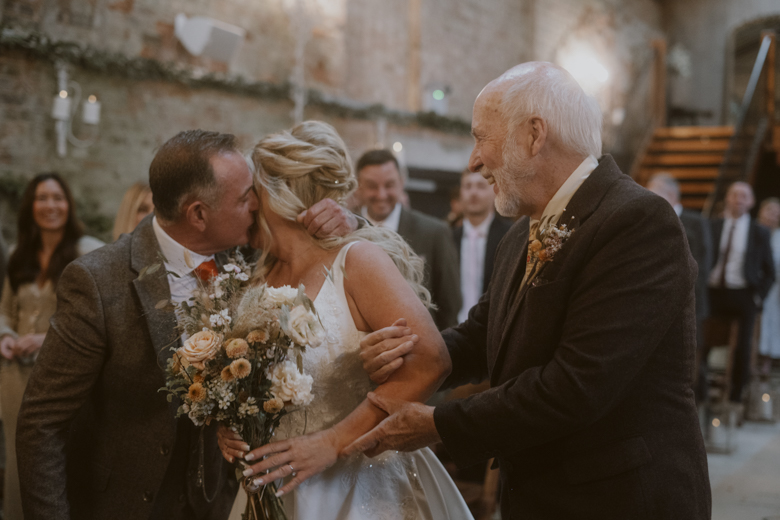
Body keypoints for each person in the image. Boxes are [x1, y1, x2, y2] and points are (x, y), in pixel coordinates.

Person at [346, 62, 712, 519]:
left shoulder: (637, 222)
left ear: (534, 135)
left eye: (481, 137)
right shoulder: (523, 231)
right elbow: (483, 333)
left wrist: (440, 424)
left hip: (616, 498)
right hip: (540, 497)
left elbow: (576, 385)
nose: (473, 161)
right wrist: (407, 353)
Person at [16, 130, 358, 520]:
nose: (257, 204)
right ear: (198, 215)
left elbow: (321, 252)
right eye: (245, 197)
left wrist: (349, 220)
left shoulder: (253, 259)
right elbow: (41, 422)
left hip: (220, 503)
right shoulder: (97, 281)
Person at [219, 121, 473, 520]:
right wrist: (231, 426)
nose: (246, 202)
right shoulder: (255, 277)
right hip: (275, 486)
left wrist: (333, 442)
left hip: (360, 484)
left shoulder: (356, 262)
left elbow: (431, 362)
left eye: (252, 189)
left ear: (278, 194)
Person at [0, 172, 104, 520]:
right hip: (14, 378)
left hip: (59, 376)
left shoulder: (88, 251)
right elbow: (6, 310)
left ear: (68, 204)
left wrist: (45, 338)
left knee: (51, 462)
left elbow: (97, 320)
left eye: (57, 198)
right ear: (30, 206)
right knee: (16, 461)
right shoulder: (18, 253)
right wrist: (5, 336)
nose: (50, 205)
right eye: (41, 198)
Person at [355, 149, 461, 329]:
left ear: (402, 182)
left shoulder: (434, 232)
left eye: (389, 185)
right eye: (372, 186)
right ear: (359, 186)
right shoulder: (347, 231)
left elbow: (450, 306)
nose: (381, 194)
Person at [647, 172, 713, 401]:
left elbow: (703, 264)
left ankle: (697, 404)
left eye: (653, 193)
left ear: (671, 195)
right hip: (656, 301)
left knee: (690, 359)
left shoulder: (696, 223)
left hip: (690, 300)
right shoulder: (649, 219)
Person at [707, 182, 775, 403]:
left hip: (743, 293)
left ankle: (736, 395)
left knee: (743, 347)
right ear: (727, 198)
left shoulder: (759, 232)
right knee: (700, 339)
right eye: (735, 195)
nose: (739, 199)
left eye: (744, 196)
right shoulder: (713, 225)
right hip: (713, 291)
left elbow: (770, 272)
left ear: (751, 202)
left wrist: (758, 297)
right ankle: (700, 388)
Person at [454, 168, 512, 323]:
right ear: (460, 193)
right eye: (468, 186)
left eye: (480, 186)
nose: (473, 193)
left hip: (493, 325)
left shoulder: (510, 236)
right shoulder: (449, 237)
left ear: (494, 192)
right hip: (453, 326)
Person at [756, 197, 780, 374]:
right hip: (755, 283)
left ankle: (767, 359)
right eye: (769, 211)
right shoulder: (752, 230)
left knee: (772, 321)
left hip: (775, 286)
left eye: (776, 213)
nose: (772, 216)